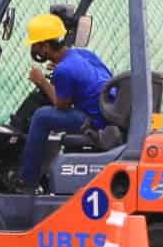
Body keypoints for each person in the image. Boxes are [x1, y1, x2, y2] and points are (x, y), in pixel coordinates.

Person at [15, 13, 112, 192]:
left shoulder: (64, 70)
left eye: (35, 46)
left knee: (41, 117)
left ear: (45, 46)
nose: (34, 50)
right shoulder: (82, 54)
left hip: (93, 121)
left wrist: (42, 82)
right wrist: (60, 70)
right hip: (105, 111)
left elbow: (62, 106)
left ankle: (26, 180)